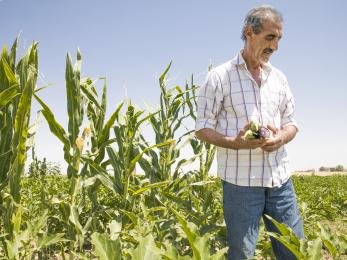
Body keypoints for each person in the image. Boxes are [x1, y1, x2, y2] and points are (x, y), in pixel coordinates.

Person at [195, 5, 304, 260]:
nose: (275, 46)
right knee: (242, 254)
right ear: (248, 33)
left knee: (293, 252)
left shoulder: (279, 78)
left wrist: (280, 138)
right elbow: (202, 128)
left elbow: (292, 123)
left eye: (278, 39)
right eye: (269, 37)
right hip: (240, 184)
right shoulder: (219, 77)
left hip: (280, 181)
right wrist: (235, 142)